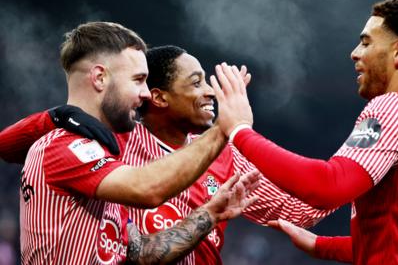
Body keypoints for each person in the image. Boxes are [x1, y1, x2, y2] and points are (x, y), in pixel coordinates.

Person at [2, 45, 333, 264]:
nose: (209, 92)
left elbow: (301, 211)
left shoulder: (225, 153)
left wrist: (367, 168)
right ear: (158, 97)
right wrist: (55, 116)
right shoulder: (112, 138)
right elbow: (6, 146)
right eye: (196, 82)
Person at [210, 0, 398, 264]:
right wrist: (320, 244)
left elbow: (328, 185)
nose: (355, 53)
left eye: (366, 42)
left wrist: (240, 131)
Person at [15, 21, 260, 264]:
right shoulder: (64, 146)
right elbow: (147, 189)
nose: (145, 94)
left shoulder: (106, 162)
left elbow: (142, 254)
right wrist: (221, 128)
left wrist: (209, 214)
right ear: (100, 78)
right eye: (138, 80)